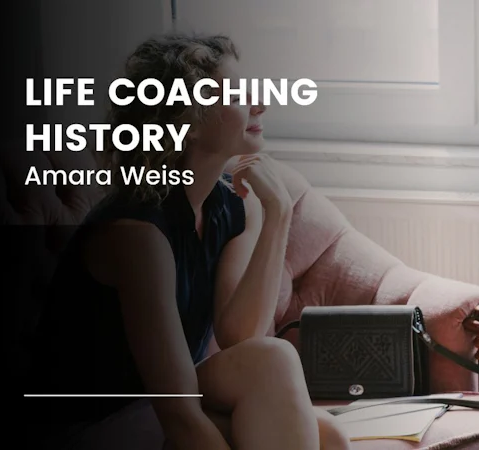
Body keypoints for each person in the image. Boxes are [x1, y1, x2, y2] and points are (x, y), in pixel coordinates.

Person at [25, 33, 351, 450]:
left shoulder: (232, 205)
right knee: (275, 363)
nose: (260, 104)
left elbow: (241, 337)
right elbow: (178, 413)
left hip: (149, 407)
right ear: (189, 123)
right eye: (234, 94)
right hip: (88, 423)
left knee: (332, 437)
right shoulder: (138, 235)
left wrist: (277, 217)